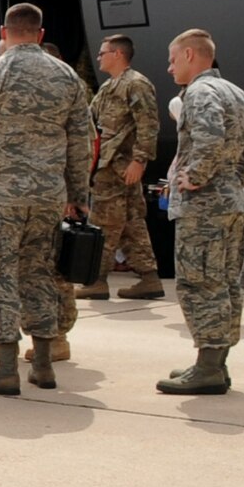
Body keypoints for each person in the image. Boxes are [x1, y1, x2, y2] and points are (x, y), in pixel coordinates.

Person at [0, 3, 95, 395]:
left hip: (1, 197)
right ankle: (44, 364)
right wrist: (78, 194)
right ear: (41, 34)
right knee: (41, 274)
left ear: (4, 31)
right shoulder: (66, 77)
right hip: (49, 196)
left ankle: (7, 368)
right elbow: (80, 142)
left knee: (0, 278)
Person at [158, 29, 244, 393]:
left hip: (204, 208)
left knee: (198, 283)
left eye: (173, 59)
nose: (169, 66)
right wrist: (236, 179)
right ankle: (214, 364)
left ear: (191, 55)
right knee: (223, 282)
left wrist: (199, 175)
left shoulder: (200, 92)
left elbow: (209, 136)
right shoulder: (234, 92)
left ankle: (208, 367)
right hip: (230, 202)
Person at [84, 35, 164, 300]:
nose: (98, 57)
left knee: (103, 223)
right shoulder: (109, 87)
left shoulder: (136, 85)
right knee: (131, 223)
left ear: (117, 54)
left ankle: (96, 279)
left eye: (102, 52)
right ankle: (149, 278)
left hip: (119, 165)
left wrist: (140, 160)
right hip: (108, 165)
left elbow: (148, 124)